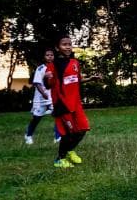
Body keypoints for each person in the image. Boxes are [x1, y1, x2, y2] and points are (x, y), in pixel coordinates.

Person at [45, 35, 101, 168]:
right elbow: (48, 84)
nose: (68, 47)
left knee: (83, 128)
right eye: (64, 44)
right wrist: (46, 78)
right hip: (63, 104)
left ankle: (69, 150)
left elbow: (77, 79)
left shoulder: (75, 62)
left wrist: (91, 79)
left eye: (69, 44)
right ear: (57, 48)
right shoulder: (53, 65)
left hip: (76, 103)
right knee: (69, 133)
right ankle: (59, 159)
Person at [23, 48, 61, 144]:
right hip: (41, 98)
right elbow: (37, 83)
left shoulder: (56, 67)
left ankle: (58, 137)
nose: (50, 57)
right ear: (44, 57)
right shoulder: (40, 68)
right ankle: (28, 135)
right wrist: (43, 93)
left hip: (52, 97)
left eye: (51, 55)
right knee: (36, 118)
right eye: (47, 55)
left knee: (58, 115)